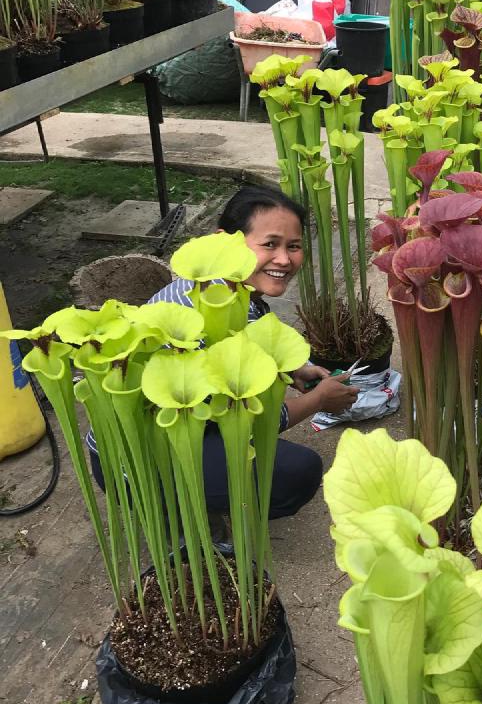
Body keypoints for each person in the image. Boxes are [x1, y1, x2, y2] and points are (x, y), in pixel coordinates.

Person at [87, 184, 357, 523]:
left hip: (170, 430)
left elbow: (247, 354)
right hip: (132, 460)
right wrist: (318, 400)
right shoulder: (201, 310)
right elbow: (244, 418)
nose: (285, 259)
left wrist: (293, 370)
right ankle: (176, 516)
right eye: (270, 244)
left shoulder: (229, 292)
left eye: (294, 246)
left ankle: (193, 499)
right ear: (224, 241)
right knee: (296, 473)